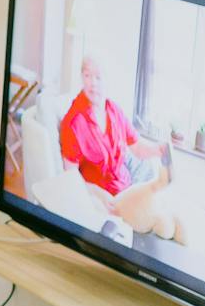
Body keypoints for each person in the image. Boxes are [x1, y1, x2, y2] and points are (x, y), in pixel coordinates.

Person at [59, 55, 178, 239]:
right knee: (156, 218)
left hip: (126, 187)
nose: (92, 83)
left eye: (98, 77)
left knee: (159, 202)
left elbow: (137, 147)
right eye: (87, 75)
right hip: (106, 200)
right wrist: (98, 194)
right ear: (81, 77)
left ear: (107, 79)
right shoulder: (73, 123)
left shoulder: (113, 110)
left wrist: (157, 150)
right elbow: (71, 177)